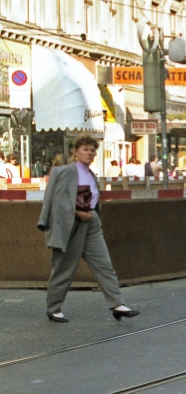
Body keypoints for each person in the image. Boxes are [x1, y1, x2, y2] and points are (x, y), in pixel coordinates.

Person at [36, 134, 139, 323]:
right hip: (71, 224)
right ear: (76, 152)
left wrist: (91, 216)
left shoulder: (91, 174)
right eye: (85, 149)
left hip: (91, 223)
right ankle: (53, 308)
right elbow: (58, 202)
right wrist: (78, 213)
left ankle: (117, 304)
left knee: (104, 265)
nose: (89, 153)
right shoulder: (65, 171)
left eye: (92, 150)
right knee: (64, 268)